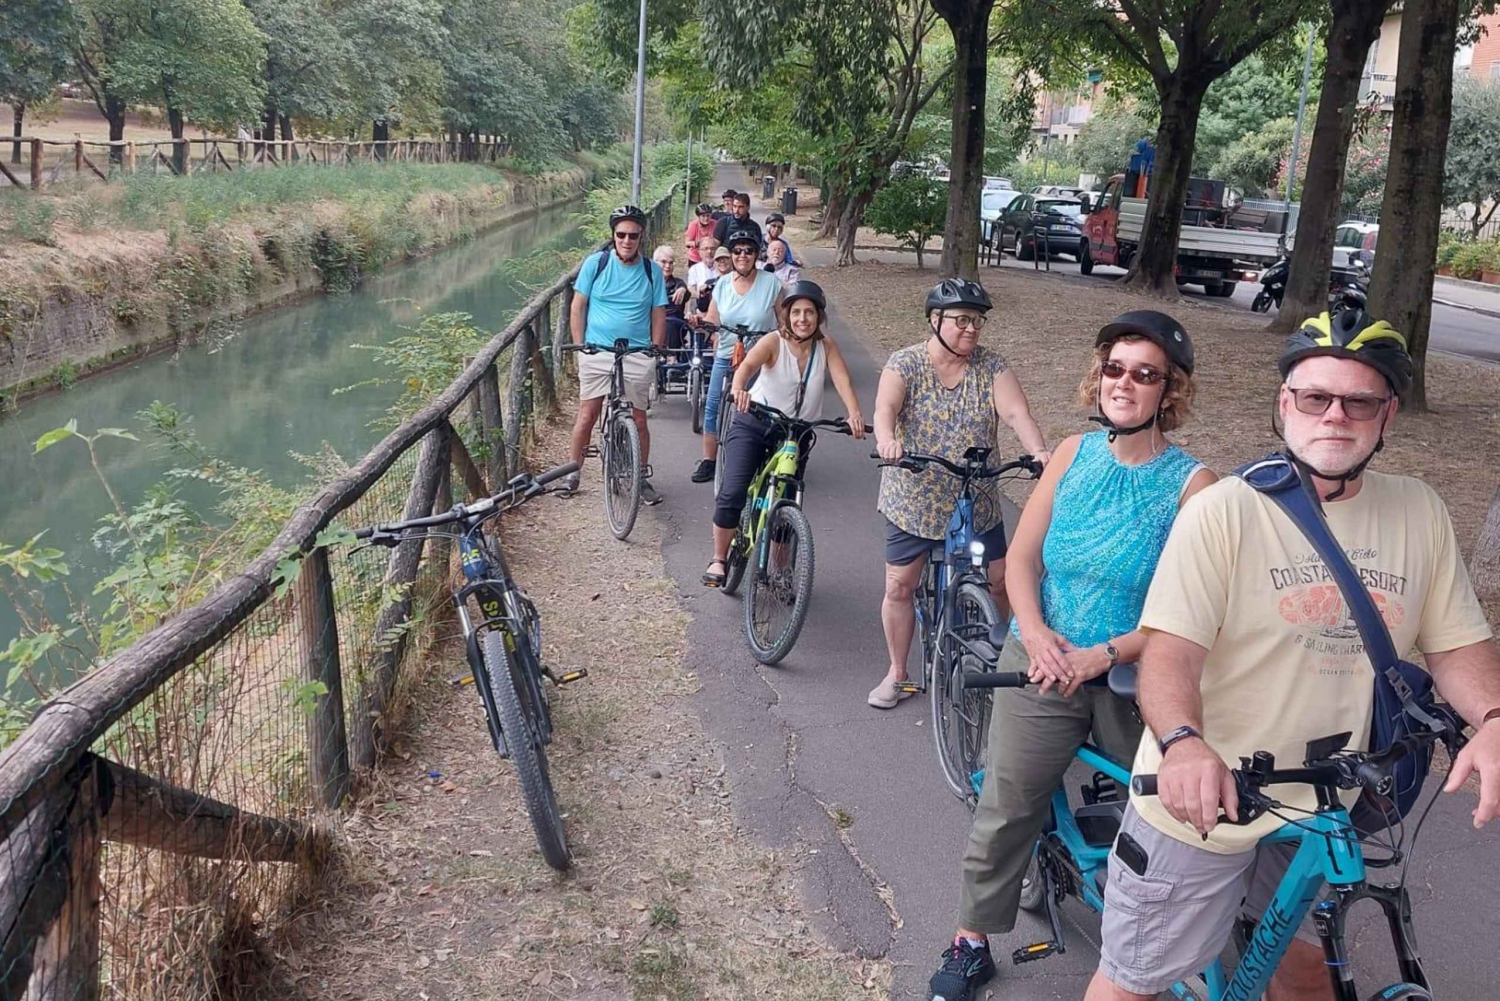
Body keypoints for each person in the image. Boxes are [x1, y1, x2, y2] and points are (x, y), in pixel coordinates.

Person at [1084, 310, 1500, 1001]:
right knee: (1133, 983)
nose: (1336, 414)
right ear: (1286, 405)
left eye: (1359, 400)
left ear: (1386, 415)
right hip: (1206, 798)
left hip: (1326, 799)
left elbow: (1456, 644)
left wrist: (1491, 715)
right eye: (1316, 396)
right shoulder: (1225, 509)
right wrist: (1184, 743)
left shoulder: (1420, 511)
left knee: (1308, 971)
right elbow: (1170, 655)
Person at [926, 311, 1216, 1001]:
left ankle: (1164, 944)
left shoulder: (1195, 487)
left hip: (1136, 673)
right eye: (1115, 368)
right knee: (1007, 803)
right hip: (1042, 657)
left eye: (1145, 374)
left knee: (1170, 814)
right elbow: (1021, 558)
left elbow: (1195, 606)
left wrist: (1101, 654)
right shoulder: (1070, 454)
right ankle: (970, 941)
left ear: (1168, 392)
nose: (1125, 382)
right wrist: (1039, 632)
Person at [870, 279, 1051, 709]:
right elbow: (886, 409)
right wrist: (887, 440)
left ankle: (999, 656)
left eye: (978, 321)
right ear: (935, 321)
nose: (972, 329)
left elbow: (1014, 411)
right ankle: (897, 672)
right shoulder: (907, 362)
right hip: (915, 497)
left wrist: (1038, 451)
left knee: (1002, 581)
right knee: (900, 585)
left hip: (976, 496)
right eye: (962, 320)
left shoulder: (991, 367)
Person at [700, 281, 865, 585]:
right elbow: (746, 367)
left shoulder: (825, 345)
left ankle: (780, 571)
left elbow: (842, 380)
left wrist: (854, 413)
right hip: (756, 421)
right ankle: (719, 558)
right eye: (796, 312)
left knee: (788, 501)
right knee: (733, 491)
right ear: (786, 316)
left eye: (810, 313)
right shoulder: (773, 341)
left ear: (819, 317)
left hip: (797, 432)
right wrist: (738, 391)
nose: (803, 319)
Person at [564, 205, 667, 504]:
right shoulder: (595, 264)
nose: (626, 240)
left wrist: (656, 348)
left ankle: (641, 477)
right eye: (620, 234)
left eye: (633, 235)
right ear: (613, 236)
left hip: (636, 351)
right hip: (598, 350)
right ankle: (574, 472)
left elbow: (658, 312)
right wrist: (581, 344)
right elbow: (577, 306)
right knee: (588, 414)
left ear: (641, 237)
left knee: (639, 419)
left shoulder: (651, 270)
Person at [690, 228, 782, 484]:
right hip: (727, 354)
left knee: (759, 409)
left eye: (749, 251)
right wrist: (700, 323)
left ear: (756, 254)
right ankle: (709, 461)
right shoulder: (722, 284)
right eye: (737, 251)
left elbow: (783, 321)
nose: (743, 256)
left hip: (760, 357)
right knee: (713, 406)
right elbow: (712, 319)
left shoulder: (771, 284)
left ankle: (758, 458)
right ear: (731, 255)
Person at [653, 245, 691, 351]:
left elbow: (686, 294)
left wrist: (683, 290)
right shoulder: (648, 282)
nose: (668, 266)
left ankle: (671, 357)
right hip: (652, 319)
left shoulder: (678, 283)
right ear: (655, 262)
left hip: (673, 323)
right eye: (663, 262)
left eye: (670, 262)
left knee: (670, 324)